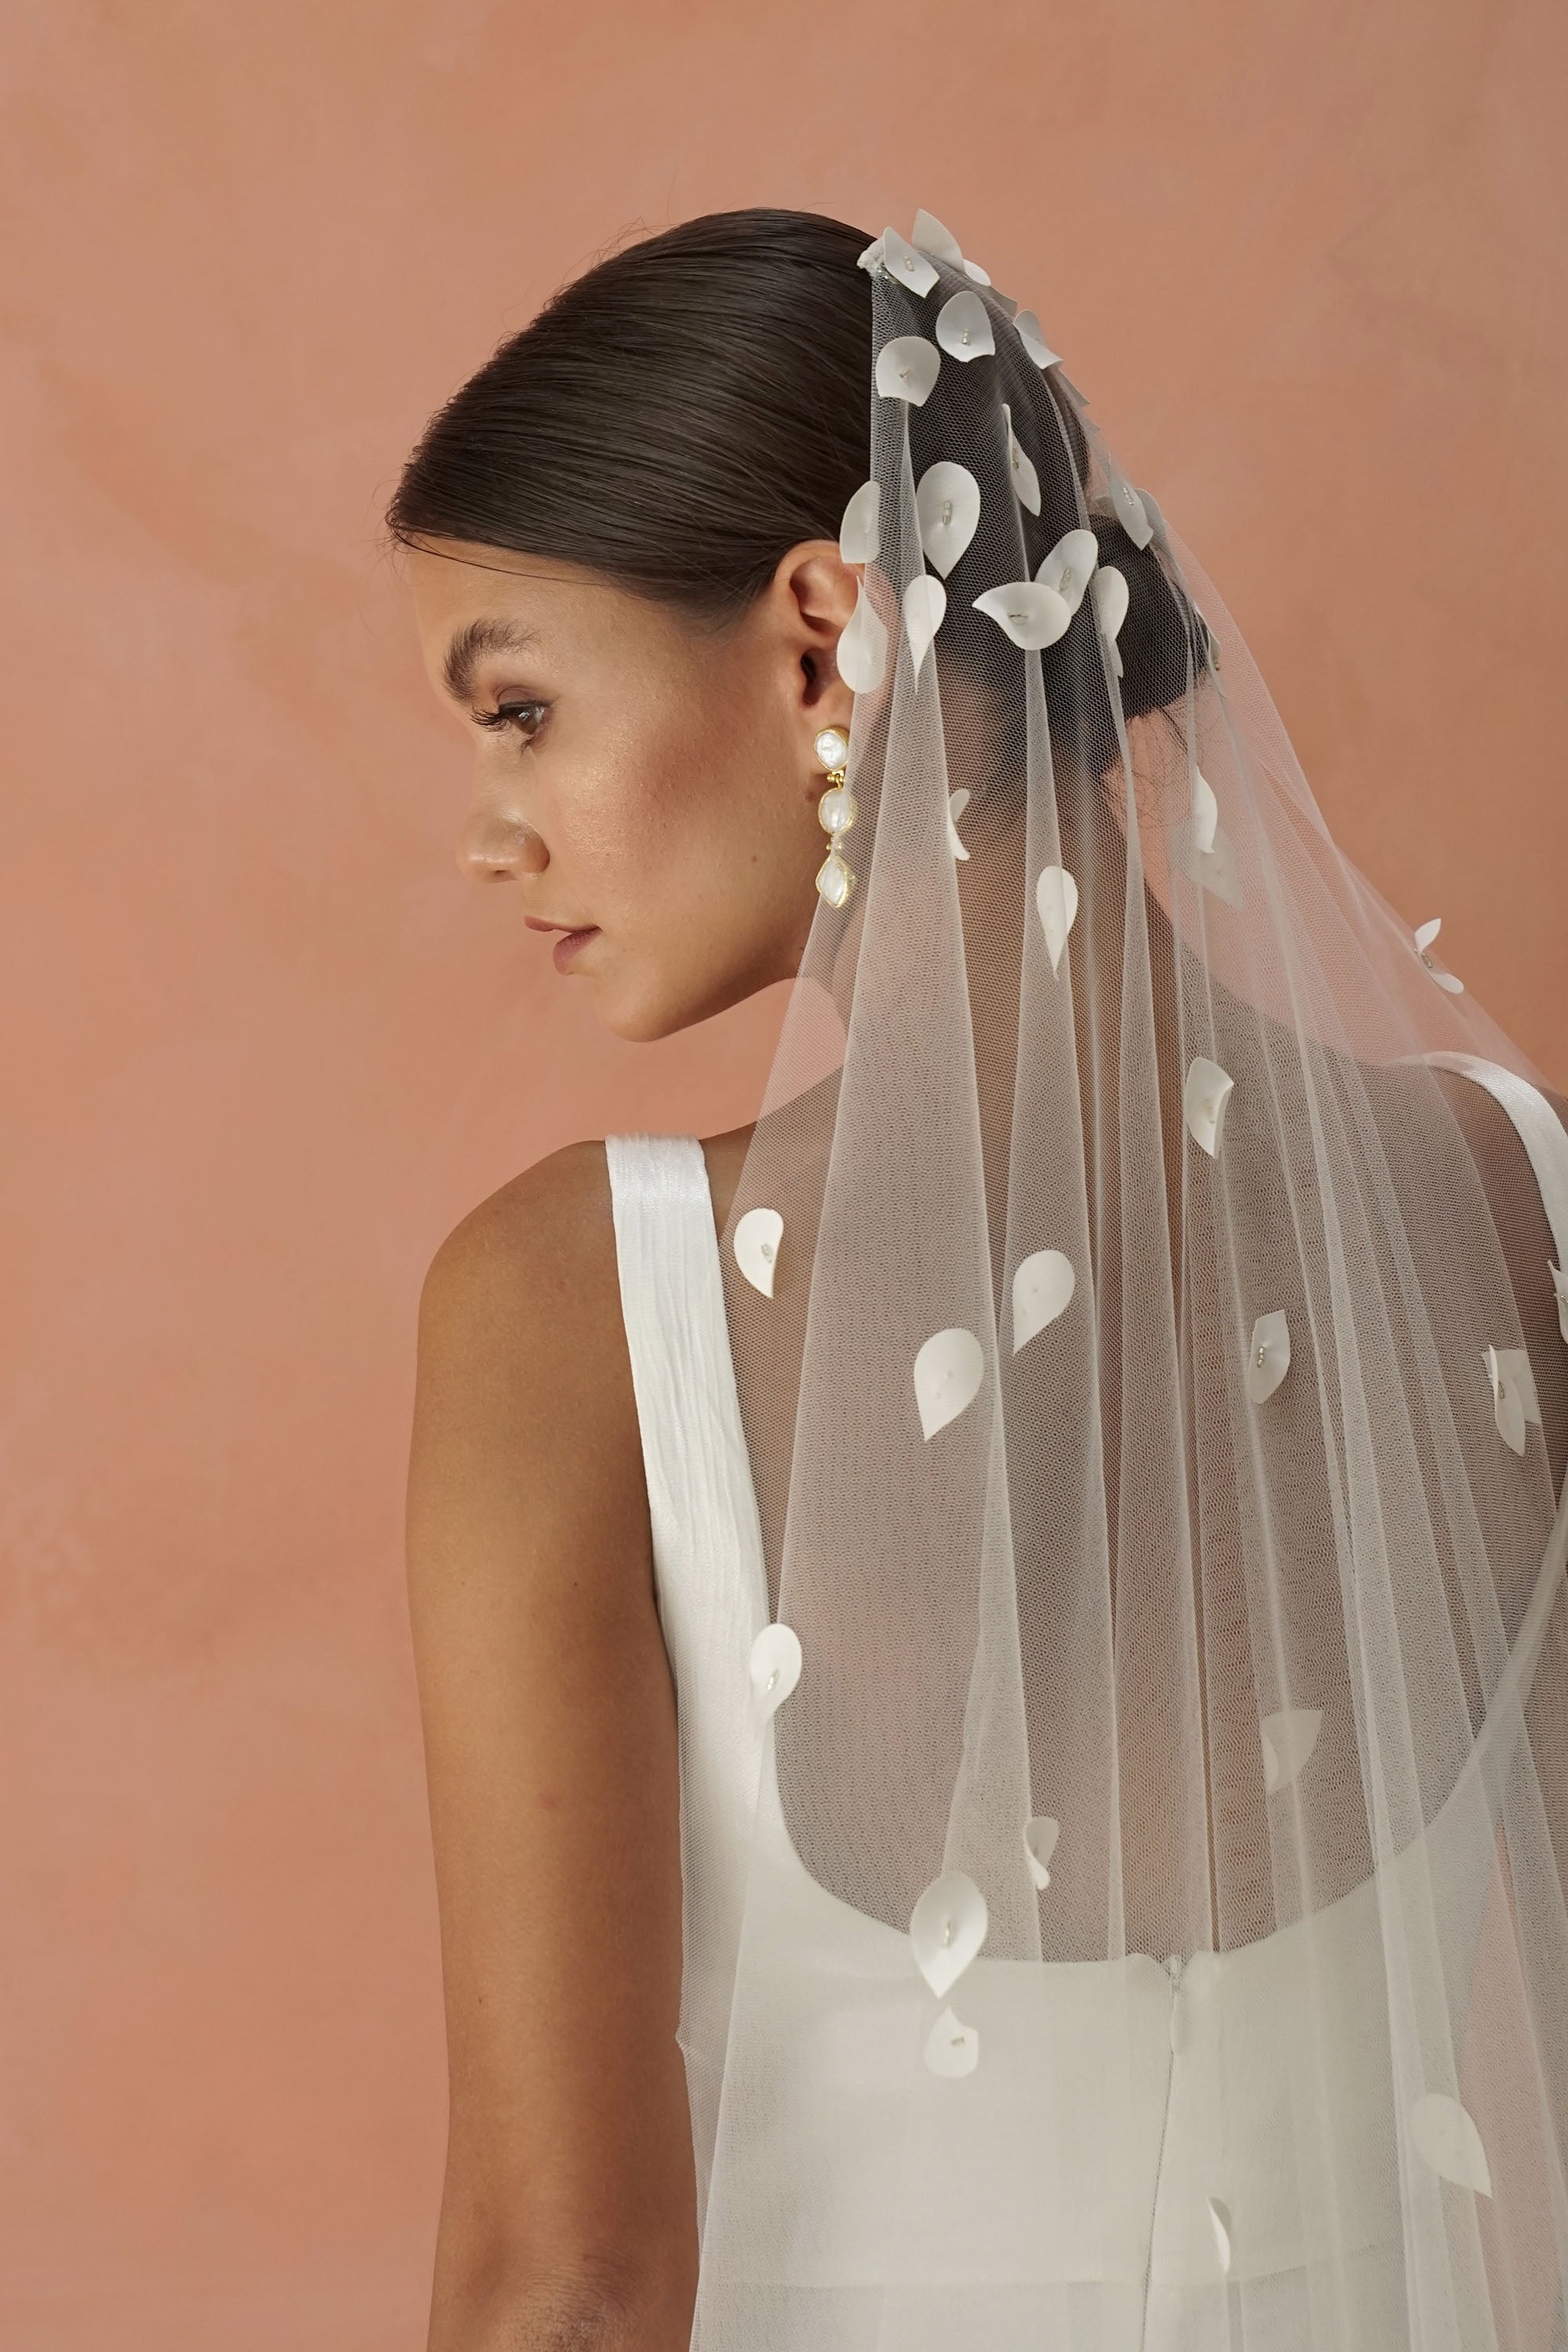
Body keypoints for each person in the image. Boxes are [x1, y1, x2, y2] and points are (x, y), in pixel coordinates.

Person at [387, 209, 1568, 2350]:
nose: (495, 828)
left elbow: (569, 2281)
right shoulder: (1517, 1208)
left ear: (823, 639)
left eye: (526, 709)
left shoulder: (571, 1314)